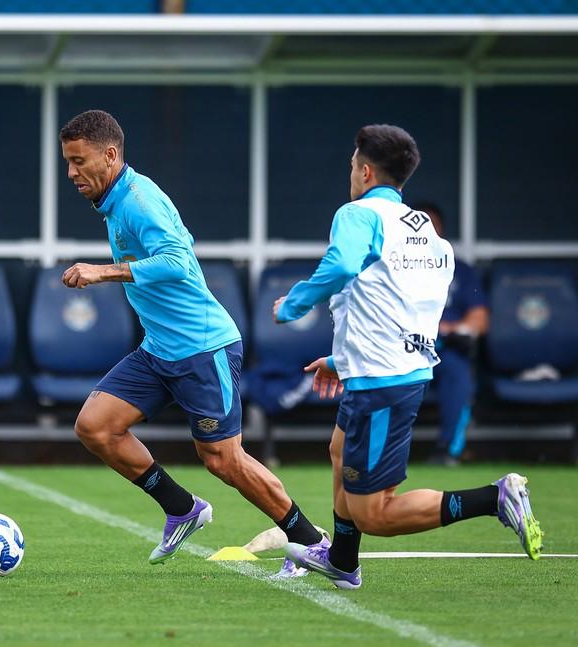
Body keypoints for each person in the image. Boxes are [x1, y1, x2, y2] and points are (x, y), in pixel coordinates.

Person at [274, 124, 542, 589]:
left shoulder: (358, 214)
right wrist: (343, 360)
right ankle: (341, 560)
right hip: (395, 370)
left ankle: (495, 498)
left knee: (375, 513)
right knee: (339, 450)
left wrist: (293, 304)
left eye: (352, 165)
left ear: (365, 170)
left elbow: (340, 267)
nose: (351, 173)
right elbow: (403, 309)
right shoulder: (430, 238)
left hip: (381, 383)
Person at [59, 109, 326, 566]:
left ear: (110, 154)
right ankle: (182, 508)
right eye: (67, 162)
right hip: (159, 348)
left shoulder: (138, 200)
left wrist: (102, 271)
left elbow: (179, 261)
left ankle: (312, 541)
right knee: (95, 427)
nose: (71, 173)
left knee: (224, 460)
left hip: (203, 348)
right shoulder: (117, 200)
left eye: (79, 161)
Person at [415, 202, 490, 465]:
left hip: (446, 349)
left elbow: (479, 319)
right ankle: (387, 454)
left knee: (459, 374)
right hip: (405, 352)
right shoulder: (393, 268)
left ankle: (448, 451)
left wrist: (448, 330)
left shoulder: (460, 270)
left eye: (433, 227)